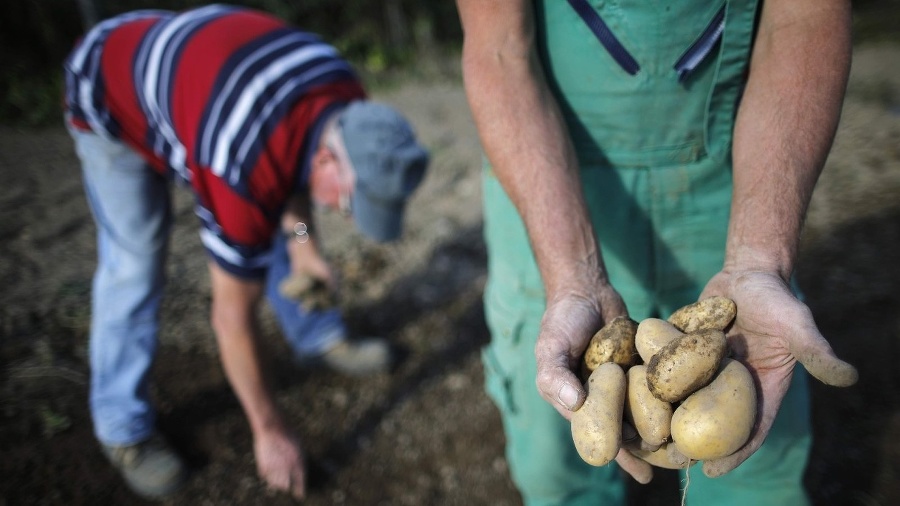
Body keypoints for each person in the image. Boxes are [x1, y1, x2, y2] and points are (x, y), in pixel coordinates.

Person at [455, 0, 858, 504]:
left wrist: (760, 260)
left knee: (758, 463)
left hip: (736, 175)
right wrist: (571, 278)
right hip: (547, 185)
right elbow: (498, 51)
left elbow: (805, 19)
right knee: (555, 467)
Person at [63, 4, 428, 500]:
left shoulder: (345, 97)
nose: (346, 214)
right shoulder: (237, 160)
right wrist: (270, 430)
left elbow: (298, 165)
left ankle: (315, 332)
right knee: (137, 261)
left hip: (206, 90)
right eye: (349, 202)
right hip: (109, 91)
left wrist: (303, 249)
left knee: (270, 204)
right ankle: (121, 428)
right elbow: (231, 318)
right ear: (329, 158)